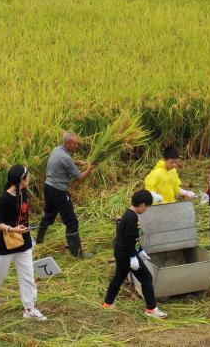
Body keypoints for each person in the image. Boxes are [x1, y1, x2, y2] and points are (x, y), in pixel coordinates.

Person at [0, 164, 48, 320]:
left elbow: (22, 216)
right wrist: (13, 229)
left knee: (28, 276)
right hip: (5, 243)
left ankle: (30, 309)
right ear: (21, 180)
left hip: (24, 242)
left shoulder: (24, 192)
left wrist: (26, 233)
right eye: (28, 176)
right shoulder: (5, 198)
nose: (30, 178)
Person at [103, 190, 167, 318]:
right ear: (143, 204)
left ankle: (108, 303)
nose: (146, 210)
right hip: (126, 253)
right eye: (147, 207)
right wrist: (133, 257)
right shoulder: (132, 217)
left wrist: (141, 250)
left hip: (121, 251)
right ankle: (151, 309)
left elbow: (134, 238)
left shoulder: (128, 214)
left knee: (119, 276)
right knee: (146, 278)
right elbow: (129, 240)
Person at [38, 132, 95, 258]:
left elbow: (66, 161)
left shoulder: (57, 150)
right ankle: (78, 253)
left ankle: (39, 241)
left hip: (48, 187)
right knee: (72, 221)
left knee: (49, 215)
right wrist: (90, 168)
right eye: (74, 143)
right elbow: (80, 177)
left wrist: (78, 162)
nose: (77, 146)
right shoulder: (66, 158)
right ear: (67, 143)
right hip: (59, 191)